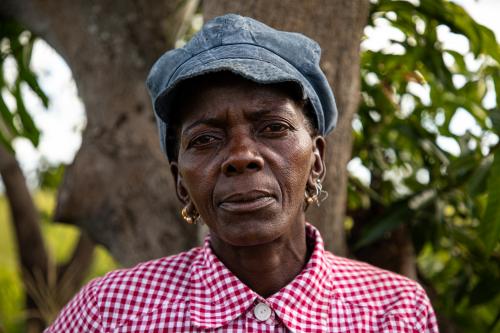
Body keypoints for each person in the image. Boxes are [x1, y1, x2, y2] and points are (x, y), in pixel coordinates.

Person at [45, 14, 438, 332]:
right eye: (205, 140)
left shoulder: (395, 312)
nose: (241, 156)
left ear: (317, 160)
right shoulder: (110, 314)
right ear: (181, 183)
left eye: (273, 128)